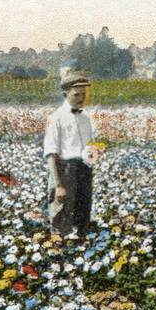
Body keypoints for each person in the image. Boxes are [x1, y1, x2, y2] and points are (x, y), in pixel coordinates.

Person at [42, 71, 101, 237]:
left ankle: (81, 243)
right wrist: (59, 185)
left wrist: (94, 154)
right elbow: (51, 153)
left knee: (83, 214)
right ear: (65, 94)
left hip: (84, 170)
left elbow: (89, 146)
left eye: (83, 94)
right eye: (76, 94)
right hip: (64, 171)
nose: (81, 98)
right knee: (62, 215)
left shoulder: (86, 118)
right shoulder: (57, 118)